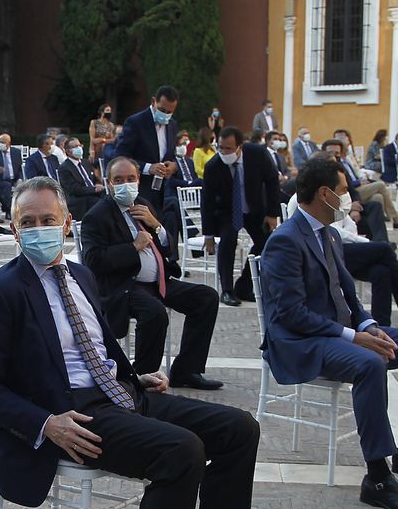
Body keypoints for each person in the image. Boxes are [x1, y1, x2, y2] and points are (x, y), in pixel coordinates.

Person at [0, 176, 260, 509]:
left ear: (67, 223)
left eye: (48, 219)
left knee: (239, 429)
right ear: (14, 229)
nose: (39, 229)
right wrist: (46, 423)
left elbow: (95, 347)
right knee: (181, 451)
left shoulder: (81, 275)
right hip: (72, 416)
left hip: (120, 393)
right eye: (29, 222)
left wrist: (132, 377)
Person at [259, 158, 398, 509]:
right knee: (370, 363)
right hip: (300, 341)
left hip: (339, 333)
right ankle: (378, 479)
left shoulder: (331, 234)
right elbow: (290, 314)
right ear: (324, 194)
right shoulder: (285, 240)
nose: (349, 198)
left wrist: (367, 325)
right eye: (343, 191)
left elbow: (349, 297)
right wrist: (353, 337)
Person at [81, 157, 223, 391]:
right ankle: (143, 380)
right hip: (125, 286)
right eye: (119, 180)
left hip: (159, 282)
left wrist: (157, 225)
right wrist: (133, 247)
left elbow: (168, 249)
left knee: (206, 297)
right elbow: (93, 260)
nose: (126, 184)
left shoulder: (143, 205)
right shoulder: (97, 216)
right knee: (154, 313)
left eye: (131, 179)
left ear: (139, 180)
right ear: (109, 183)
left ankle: (186, 370)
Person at [305, 180, 398, 327]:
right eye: (343, 189)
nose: (346, 194)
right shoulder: (311, 203)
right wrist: (365, 242)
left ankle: (383, 327)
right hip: (327, 257)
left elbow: (349, 224)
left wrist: (355, 235)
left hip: (344, 250)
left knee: (382, 271)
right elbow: (334, 232)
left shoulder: (334, 201)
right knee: (384, 249)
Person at [202, 126, 282, 306]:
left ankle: (244, 286)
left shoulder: (257, 154)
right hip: (227, 212)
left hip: (255, 209)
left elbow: (272, 182)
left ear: (240, 147)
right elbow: (207, 201)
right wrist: (208, 234)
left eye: (228, 148)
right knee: (228, 241)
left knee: (266, 243)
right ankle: (227, 291)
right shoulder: (213, 166)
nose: (224, 152)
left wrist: (272, 214)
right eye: (220, 147)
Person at [114, 85, 183, 212]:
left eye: (169, 112)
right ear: (153, 101)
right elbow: (121, 156)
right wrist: (148, 168)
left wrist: (173, 166)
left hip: (163, 191)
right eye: (162, 110)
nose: (165, 114)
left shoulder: (172, 125)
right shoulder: (136, 122)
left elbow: (171, 154)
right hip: (140, 190)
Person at [324, 138, 391, 242]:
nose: (334, 156)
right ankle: (378, 244)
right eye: (330, 153)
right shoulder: (321, 176)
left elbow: (352, 191)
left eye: (336, 153)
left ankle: (381, 242)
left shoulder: (341, 171)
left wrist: (355, 206)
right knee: (379, 189)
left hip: (348, 210)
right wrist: (351, 209)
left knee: (376, 204)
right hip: (338, 218)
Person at [59, 136, 106, 223]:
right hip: (80, 199)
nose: (79, 148)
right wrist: (94, 189)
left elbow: (94, 179)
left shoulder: (85, 162)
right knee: (100, 204)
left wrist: (98, 184)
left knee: (110, 198)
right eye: (75, 146)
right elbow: (74, 189)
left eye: (80, 145)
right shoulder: (64, 168)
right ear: (68, 151)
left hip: (94, 194)